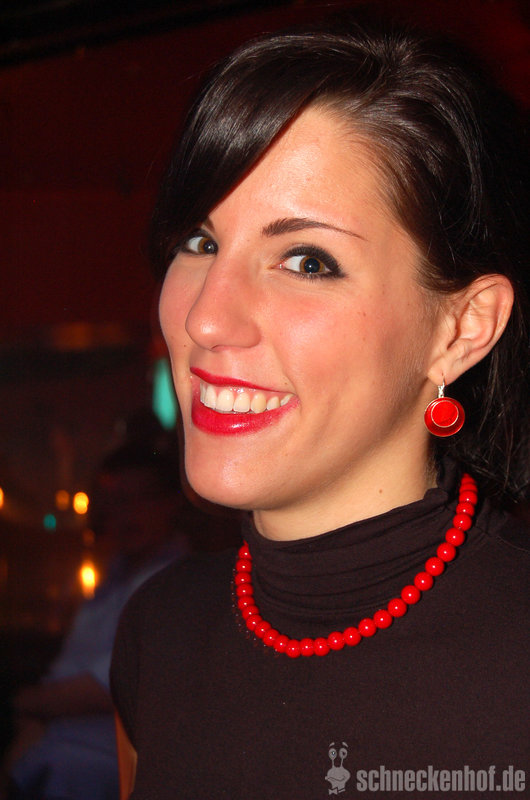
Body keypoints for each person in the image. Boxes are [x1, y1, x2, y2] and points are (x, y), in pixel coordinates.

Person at [110, 17, 530, 799]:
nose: (205, 319)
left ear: (462, 328)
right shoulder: (159, 632)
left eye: (307, 261)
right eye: (200, 241)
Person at [4, 424, 189, 800]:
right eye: (118, 499)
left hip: (102, 754)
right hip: (59, 735)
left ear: (171, 503)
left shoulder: (177, 584)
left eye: (143, 498)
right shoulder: (114, 575)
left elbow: (113, 684)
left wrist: (30, 705)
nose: (128, 513)